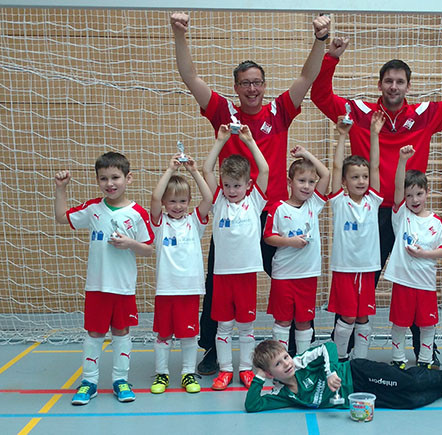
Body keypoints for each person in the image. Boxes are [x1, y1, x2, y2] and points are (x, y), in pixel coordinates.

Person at [170, 12, 331, 373]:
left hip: (275, 214)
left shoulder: (280, 110)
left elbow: (307, 76)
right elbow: (189, 76)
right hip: (232, 217)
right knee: (217, 283)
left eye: (257, 82)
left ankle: (297, 345)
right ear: (236, 87)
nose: (252, 89)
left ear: (264, 84)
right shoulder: (223, 113)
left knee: (291, 277)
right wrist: (179, 35)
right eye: (245, 83)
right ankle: (213, 347)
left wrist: (320, 41)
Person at [311, 37, 442, 362]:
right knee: (360, 282)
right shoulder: (360, 113)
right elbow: (320, 95)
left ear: (408, 86)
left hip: (408, 215)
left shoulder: (426, 115)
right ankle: (339, 351)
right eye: (388, 80)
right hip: (367, 213)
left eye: (400, 81)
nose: (394, 86)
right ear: (380, 84)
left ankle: (424, 350)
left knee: (416, 280)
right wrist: (331, 58)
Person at [54, 152, 154, 405]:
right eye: (103, 178)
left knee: (121, 333)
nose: (110, 183)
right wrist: (61, 189)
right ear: (98, 180)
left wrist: (130, 243)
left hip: (122, 287)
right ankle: (89, 381)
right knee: (94, 334)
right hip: (96, 286)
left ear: (128, 178)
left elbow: (149, 248)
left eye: (115, 177)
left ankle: (120, 380)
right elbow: (61, 217)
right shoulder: (92, 208)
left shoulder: (137, 213)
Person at [202, 124, 269, 391]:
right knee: (224, 325)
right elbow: (207, 170)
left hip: (246, 274)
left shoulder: (254, 202)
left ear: (248, 185)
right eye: (227, 185)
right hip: (222, 275)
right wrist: (220, 141)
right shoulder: (218, 200)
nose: (231, 190)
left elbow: (264, 170)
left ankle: (245, 369)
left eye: (237, 185)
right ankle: (225, 370)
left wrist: (250, 141)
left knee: (245, 325)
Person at [245, 340, 442, 412]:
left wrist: (331, 373)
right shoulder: (283, 394)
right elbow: (253, 405)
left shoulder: (300, 362)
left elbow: (329, 347)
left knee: (409, 382)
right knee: (410, 402)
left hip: (358, 373)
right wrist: (258, 376)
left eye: (285, 357)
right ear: (269, 373)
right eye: (278, 364)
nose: (286, 364)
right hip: (359, 396)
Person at [148, 153, 212, 394]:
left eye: (183, 201)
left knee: (188, 335)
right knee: (164, 334)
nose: (178, 206)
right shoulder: (159, 223)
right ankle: (162, 374)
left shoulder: (195, 221)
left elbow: (208, 197)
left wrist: (194, 171)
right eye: (172, 201)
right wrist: (169, 169)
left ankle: (187, 373)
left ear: (188, 202)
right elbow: (154, 197)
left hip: (189, 288)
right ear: (165, 203)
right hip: (166, 288)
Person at [383, 145, 442, 370]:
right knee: (400, 324)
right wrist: (402, 160)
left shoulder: (436, 222)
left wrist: (425, 254)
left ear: (427, 193)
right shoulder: (401, 216)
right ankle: (398, 358)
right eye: (409, 195)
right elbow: (398, 187)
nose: (414, 199)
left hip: (426, 284)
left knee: (427, 324)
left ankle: (426, 360)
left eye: (419, 193)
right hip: (403, 282)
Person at [327, 113, 384, 360]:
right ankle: (339, 359)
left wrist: (374, 134)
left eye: (363, 177)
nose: (361, 181)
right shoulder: (340, 202)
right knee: (348, 316)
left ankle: (360, 361)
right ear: (344, 182)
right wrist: (342, 136)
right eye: (354, 177)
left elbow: (375, 165)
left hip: (367, 268)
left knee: (363, 317)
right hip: (345, 269)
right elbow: (337, 166)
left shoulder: (373, 199)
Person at [263, 146, 330, 355]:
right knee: (282, 321)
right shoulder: (278, 208)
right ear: (289, 182)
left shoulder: (313, 205)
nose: (307, 186)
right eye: (302, 181)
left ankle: (302, 363)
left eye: (311, 182)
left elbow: (326, 174)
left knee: (303, 322)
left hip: (307, 275)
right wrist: (290, 242)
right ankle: (280, 362)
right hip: (284, 275)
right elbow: (268, 237)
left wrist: (307, 155)